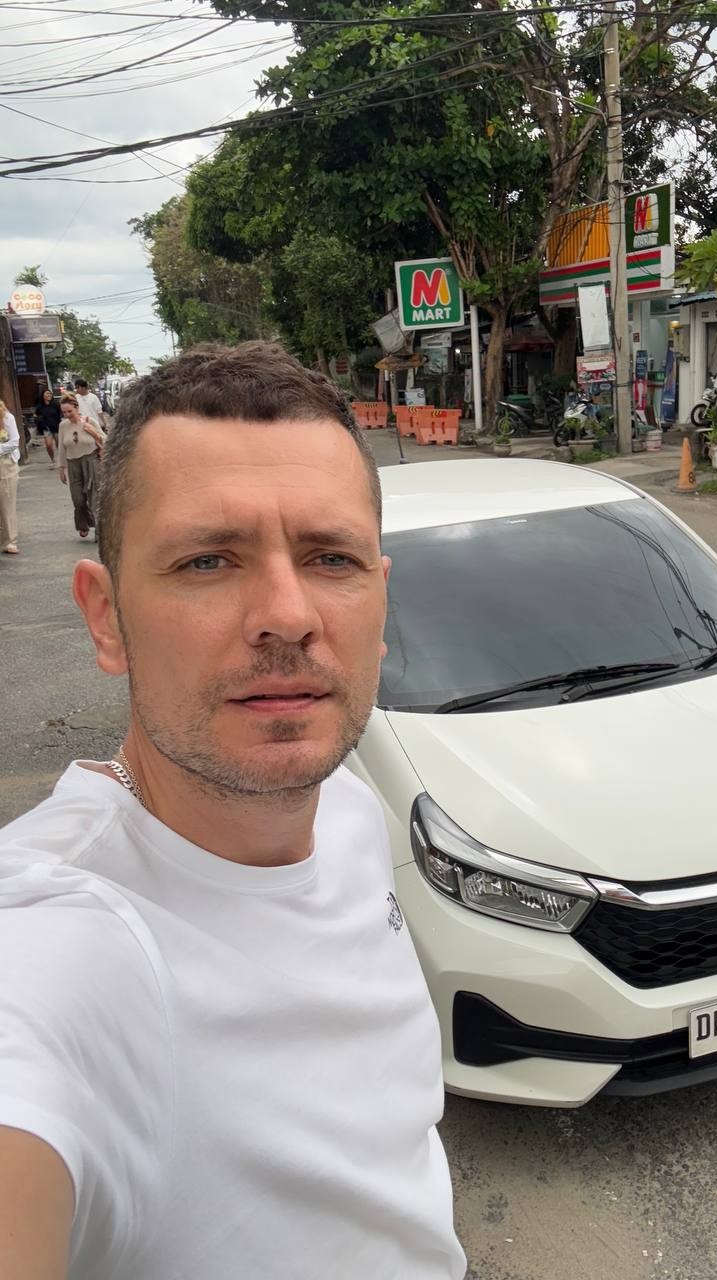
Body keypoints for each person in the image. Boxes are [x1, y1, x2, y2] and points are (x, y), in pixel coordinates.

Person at [0, 341, 466, 1280]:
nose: (287, 615)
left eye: (330, 558)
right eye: (207, 560)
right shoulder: (61, 950)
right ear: (105, 617)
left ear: (380, 599)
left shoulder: (346, 807)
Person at [57, 394, 104, 539]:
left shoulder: (90, 421)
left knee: (94, 498)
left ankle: (100, 531)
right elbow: (62, 448)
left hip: (91, 461)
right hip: (73, 464)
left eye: (69, 411)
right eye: (64, 412)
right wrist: (61, 467)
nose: (67, 415)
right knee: (78, 499)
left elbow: (105, 440)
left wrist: (93, 432)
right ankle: (84, 524)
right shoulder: (63, 426)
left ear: (76, 408)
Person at [0, 398, 20, 554]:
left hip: (5, 464)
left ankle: (9, 541)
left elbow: (14, 442)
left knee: (6, 504)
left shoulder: (7, 418)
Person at [35, 387, 62, 466]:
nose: (49, 395)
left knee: (59, 444)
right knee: (49, 445)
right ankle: (52, 460)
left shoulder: (55, 405)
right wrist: (40, 424)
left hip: (56, 427)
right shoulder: (39, 407)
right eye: (47, 393)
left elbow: (60, 415)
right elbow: (36, 416)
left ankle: (60, 459)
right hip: (46, 428)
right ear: (43, 395)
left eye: (50, 393)